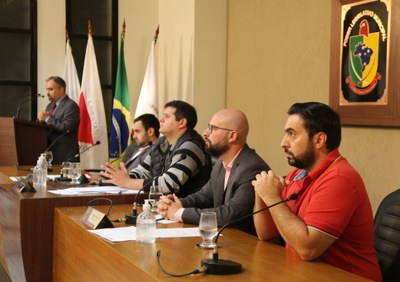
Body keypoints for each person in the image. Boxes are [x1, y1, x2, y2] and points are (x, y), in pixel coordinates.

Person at [252, 102, 381, 281]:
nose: (283, 143)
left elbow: (307, 249)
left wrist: (271, 197)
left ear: (319, 140)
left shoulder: (340, 178)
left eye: (292, 134)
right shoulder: (300, 172)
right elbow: (266, 233)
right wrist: (261, 193)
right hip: (303, 273)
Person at [157, 109, 270, 235]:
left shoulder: (252, 168)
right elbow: (203, 196)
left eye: (213, 128)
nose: (205, 133)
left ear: (232, 136)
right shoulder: (220, 165)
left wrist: (179, 213)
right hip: (224, 239)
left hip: (245, 245)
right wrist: (173, 203)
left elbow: (230, 214)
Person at [101, 100, 212, 197]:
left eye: (166, 117)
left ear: (182, 122)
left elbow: (168, 184)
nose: (160, 120)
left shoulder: (191, 145)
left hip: (185, 209)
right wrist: (118, 177)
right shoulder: (161, 143)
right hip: (163, 206)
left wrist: (127, 182)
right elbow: (144, 170)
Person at [37, 76, 80, 164]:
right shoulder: (50, 105)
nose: (47, 93)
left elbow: (66, 128)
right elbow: (47, 126)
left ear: (61, 89)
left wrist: (47, 118)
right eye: (47, 89)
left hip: (65, 155)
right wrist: (40, 121)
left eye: (50, 89)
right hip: (50, 154)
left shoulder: (71, 106)